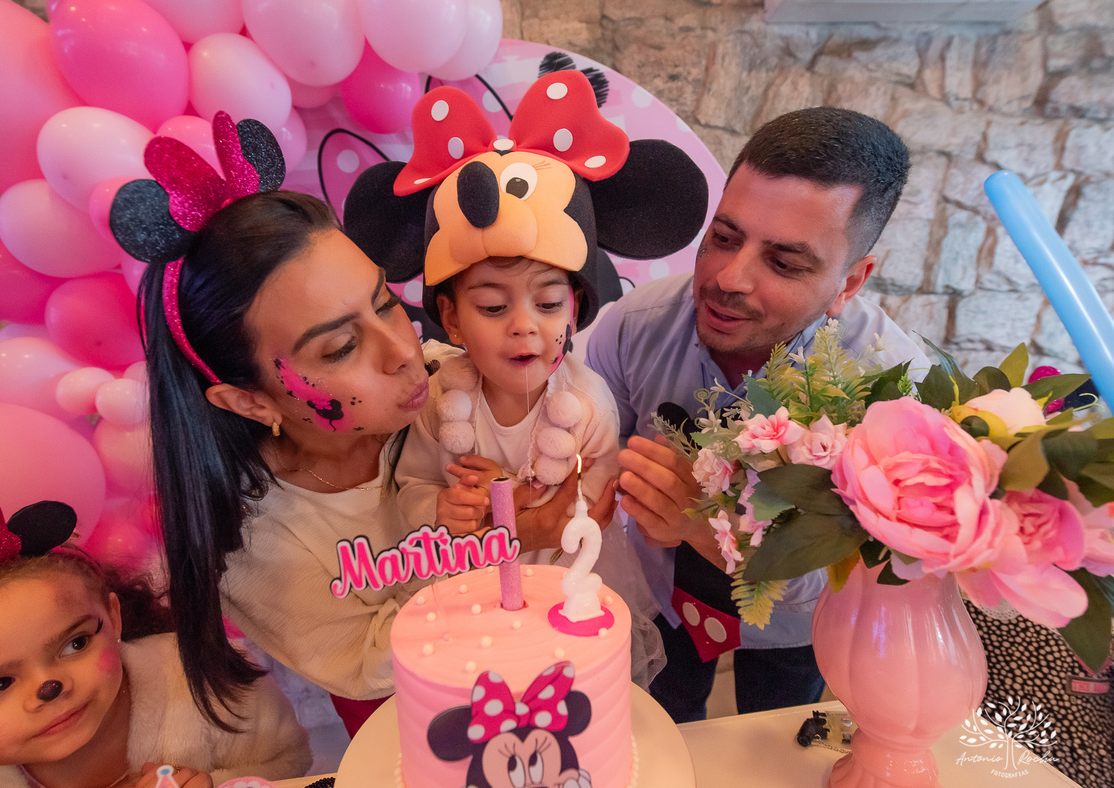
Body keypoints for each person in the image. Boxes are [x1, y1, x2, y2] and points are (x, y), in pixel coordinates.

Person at [118, 115, 588, 740]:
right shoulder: (262, 545)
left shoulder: (452, 387)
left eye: (387, 301)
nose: (402, 349)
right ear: (251, 401)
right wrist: (505, 536)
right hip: (431, 732)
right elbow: (367, 665)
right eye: (340, 348)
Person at [586, 107, 933, 722]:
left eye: (784, 263)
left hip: (799, 633)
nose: (728, 278)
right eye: (723, 237)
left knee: (774, 757)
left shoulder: (896, 397)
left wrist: (702, 522)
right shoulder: (630, 329)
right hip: (656, 606)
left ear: (850, 284)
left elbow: (859, 578)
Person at [0, 500, 310, 788]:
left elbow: (294, 768)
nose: (50, 687)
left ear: (113, 617)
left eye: (76, 643)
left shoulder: (207, 681)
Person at [393, 253, 663, 687]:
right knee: (485, 692)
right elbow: (413, 486)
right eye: (494, 308)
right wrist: (443, 507)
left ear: (572, 311)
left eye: (549, 304)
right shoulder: (441, 399)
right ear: (451, 317)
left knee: (565, 695)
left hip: (560, 588)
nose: (524, 325)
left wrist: (507, 495)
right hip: (470, 590)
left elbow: (589, 515)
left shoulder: (588, 405)